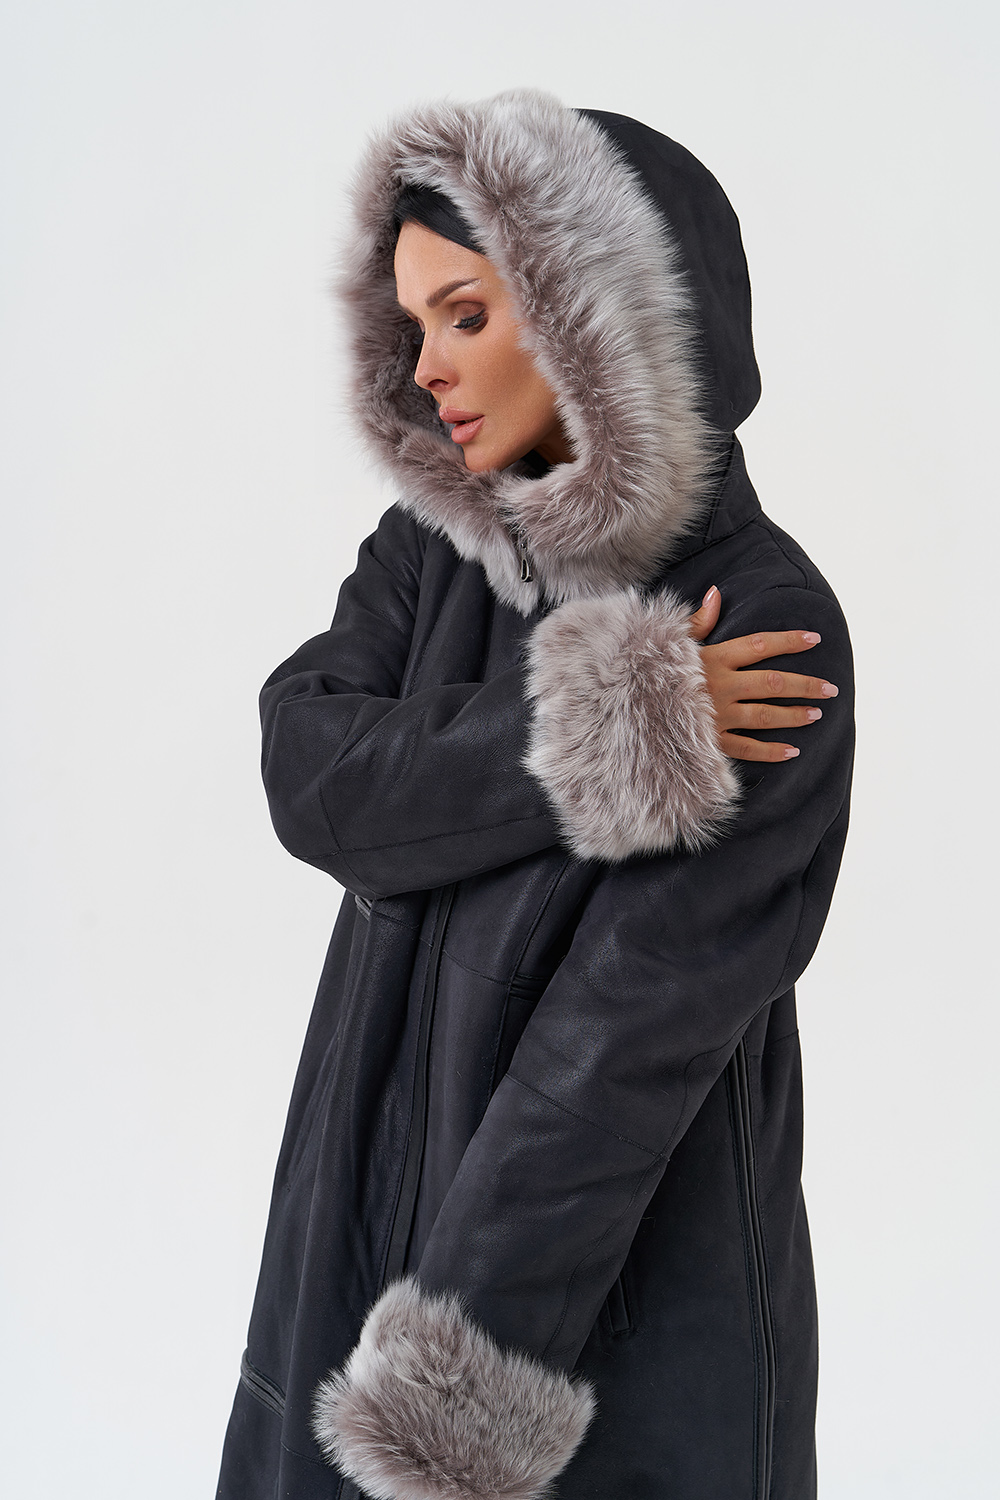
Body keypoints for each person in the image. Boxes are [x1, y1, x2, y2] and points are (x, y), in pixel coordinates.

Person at [216, 90, 854, 1500]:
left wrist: (451, 1387)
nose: (427, 367)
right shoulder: (433, 551)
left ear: (594, 316)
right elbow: (310, 773)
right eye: (413, 324)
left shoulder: (761, 620)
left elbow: (619, 1053)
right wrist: (602, 722)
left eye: (465, 315)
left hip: (597, 1311)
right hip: (355, 1223)